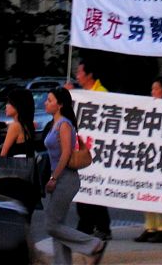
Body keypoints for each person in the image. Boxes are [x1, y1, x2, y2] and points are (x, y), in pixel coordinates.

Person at [44, 87, 107, 265]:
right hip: (60, 178)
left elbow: (65, 154)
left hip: (65, 179)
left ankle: (94, 245)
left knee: (51, 226)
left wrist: (54, 178)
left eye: (49, 100)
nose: (46, 103)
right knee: (58, 227)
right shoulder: (55, 124)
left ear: (60, 104)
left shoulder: (64, 124)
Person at [0, 88, 40, 222]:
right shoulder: (29, 125)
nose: (6, 106)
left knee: (1, 217)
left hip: (11, 182)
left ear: (18, 106)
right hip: (27, 182)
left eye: (9, 103)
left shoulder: (15, 127)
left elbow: (3, 156)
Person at [66, 61, 112, 241]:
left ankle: (101, 226)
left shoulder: (101, 93)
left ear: (89, 75)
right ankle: (86, 224)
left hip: (96, 151)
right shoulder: (82, 95)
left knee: (95, 189)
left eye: (79, 72)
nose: (77, 75)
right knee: (81, 188)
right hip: (81, 149)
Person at [134, 76, 162, 243]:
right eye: (152, 89)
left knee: (160, 192)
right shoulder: (149, 107)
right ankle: (150, 226)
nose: (153, 92)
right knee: (146, 191)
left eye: (156, 88)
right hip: (149, 154)